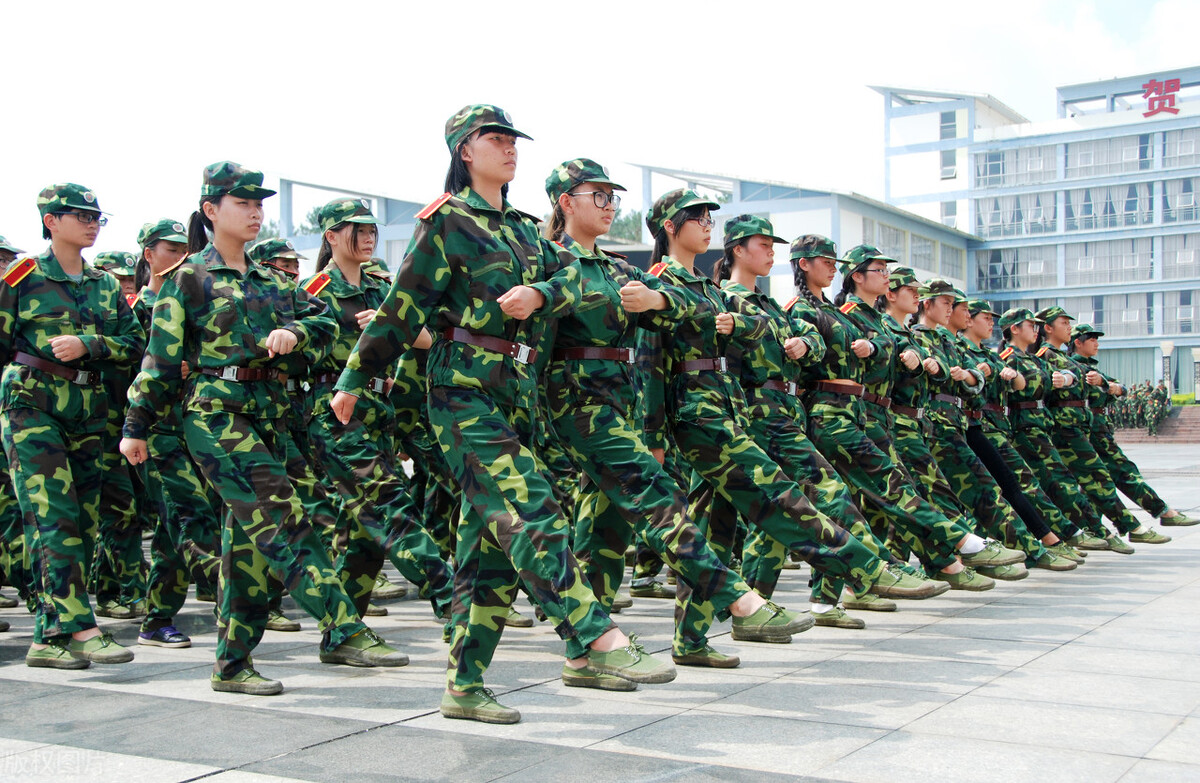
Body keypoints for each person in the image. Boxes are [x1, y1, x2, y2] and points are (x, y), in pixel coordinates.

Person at [331, 106, 676, 725]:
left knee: (486, 555)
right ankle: (595, 637)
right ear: (466, 150)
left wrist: (543, 293)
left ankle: (464, 686)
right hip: (461, 391)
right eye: (496, 139)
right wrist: (356, 376)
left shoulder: (522, 231)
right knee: (533, 507)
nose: (510, 149)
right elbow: (401, 307)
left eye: (513, 139)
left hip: (515, 395)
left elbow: (579, 282)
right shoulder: (447, 224)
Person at [121, 161, 407, 696]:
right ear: (211, 211)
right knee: (283, 516)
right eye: (242, 204)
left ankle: (231, 664)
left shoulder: (274, 279)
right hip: (215, 414)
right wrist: (136, 425)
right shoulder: (188, 279)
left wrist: (295, 333)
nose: (255, 213)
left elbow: (325, 321)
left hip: (271, 414)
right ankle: (343, 625)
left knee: (249, 548)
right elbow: (158, 361)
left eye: (259, 204)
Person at [639, 196, 943, 658]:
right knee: (777, 495)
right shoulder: (660, 283)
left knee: (715, 528)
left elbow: (760, 337)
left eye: (709, 219)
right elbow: (651, 362)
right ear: (670, 226)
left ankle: (691, 639)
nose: (706, 226)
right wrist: (654, 436)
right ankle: (864, 566)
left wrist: (753, 328)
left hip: (727, 409)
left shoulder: (707, 288)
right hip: (695, 414)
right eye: (697, 219)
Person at [543, 164, 805, 672]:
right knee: (656, 504)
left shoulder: (620, 269)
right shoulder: (546, 261)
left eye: (611, 197)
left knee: (605, 536)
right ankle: (739, 601)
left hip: (617, 406)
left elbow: (673, 315)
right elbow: (650, 357)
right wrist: (653, 431)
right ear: (565, 202)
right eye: (597, 196)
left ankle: (585, 653)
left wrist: (663, 301)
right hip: (575, 408)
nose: (609, 205)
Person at [717, 221, 927, 629]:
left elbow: (813, 345)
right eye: (763, 245)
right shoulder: (729, 298)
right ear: (738, 250)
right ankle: (872, 567)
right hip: (756, 411)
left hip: (790, 408)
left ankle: (766, 608)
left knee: (777, 516)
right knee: (824, 496)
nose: (833, 267)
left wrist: (805, 344)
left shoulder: (774, 305)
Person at [786, 237, 1000, 592]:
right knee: (882, 487)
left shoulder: (840, 314)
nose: (832, 266)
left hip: (861, 412)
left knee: (843, 504)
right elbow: (816, 351)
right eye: (879, 270)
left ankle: (834, 598)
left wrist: (882, 348)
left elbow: (895, 353)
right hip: (833, 412)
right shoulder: (809, 310)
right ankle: (956, 543)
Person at [1, 183, 142, 668]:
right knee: (53, 515)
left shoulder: (105, 284)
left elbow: (135, 343)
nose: (91, 223)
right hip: (30, 406)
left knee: (80, 523)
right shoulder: (21, 277)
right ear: (50, 221)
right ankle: (82, 627)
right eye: (79, 215)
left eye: (96, 217)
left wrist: (90, 345)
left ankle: (46, 638)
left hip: (86, 409)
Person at [301, 197, 454, 620]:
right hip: (335, 413)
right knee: (388, 503)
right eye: (358, 231)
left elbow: (428, 340)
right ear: (331, 236)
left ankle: (342, 629)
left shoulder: (382, 287)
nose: (368, 238)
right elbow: (303, 352)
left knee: (362, 533)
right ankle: (448, 593)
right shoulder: (313, 293)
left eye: (372, 231)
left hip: (378, 411)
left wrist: (392, 329)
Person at [909, 281, 1075, 573]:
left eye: (954, 305)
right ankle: (965, 559)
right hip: (936, 423)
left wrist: (975, 375)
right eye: (948, 304)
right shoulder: (916, 338)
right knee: (952, 493)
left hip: (965, 422)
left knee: (987, 487)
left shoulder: (953, 344)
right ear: (927, 304)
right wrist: (967, 375)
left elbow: (991, 382)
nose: (954, 312)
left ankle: (1024, 546)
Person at [130, 218, 221, 649]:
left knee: (173, 531)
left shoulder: (196, 295)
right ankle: (234, 598)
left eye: (184, 247)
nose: (180, 255)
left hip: (196, 425)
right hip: (157, 431)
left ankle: (156, 618)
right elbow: (133, 365)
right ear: (150, 255)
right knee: (190, 516)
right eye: (170, 248)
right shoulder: (135, 308)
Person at [1035, 306, 1171, 547]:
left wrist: (1105, 384)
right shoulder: (1045, 356)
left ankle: (1091, 531)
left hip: (1077, 425)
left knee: (1081, 482)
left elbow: (1101, 390)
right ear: (1048, 328)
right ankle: (1125, 527)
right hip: (1063, 427)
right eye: (1064, 323)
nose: (1068, 327)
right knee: (1093, 477)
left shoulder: (1064, 358)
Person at [994, 308, 1123, 552]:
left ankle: (1063, 534)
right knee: (1043, 483)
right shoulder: (1008, 357)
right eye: (1030, 325)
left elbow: (1059, 379)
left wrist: (1066, 377)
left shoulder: (1032, 358)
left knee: (1047, 483)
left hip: (1042, 425)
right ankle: (1067, 534)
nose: (1035, 329)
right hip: (1024, 427)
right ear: (1014, 329)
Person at [1068, 324, 1197, 528]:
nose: (1096, 343)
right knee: (1123, 471)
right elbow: (1099, 393)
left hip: (1098, 428)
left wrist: (1110, 386)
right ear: (1077, 342)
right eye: (1091, 339)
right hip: (1090, 430)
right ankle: (1161, 510)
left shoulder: (1092, 369)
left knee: (1095, 481)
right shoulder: (1075, 369)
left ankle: (1090, 528)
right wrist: (1108, 387)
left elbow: (1121, 389)